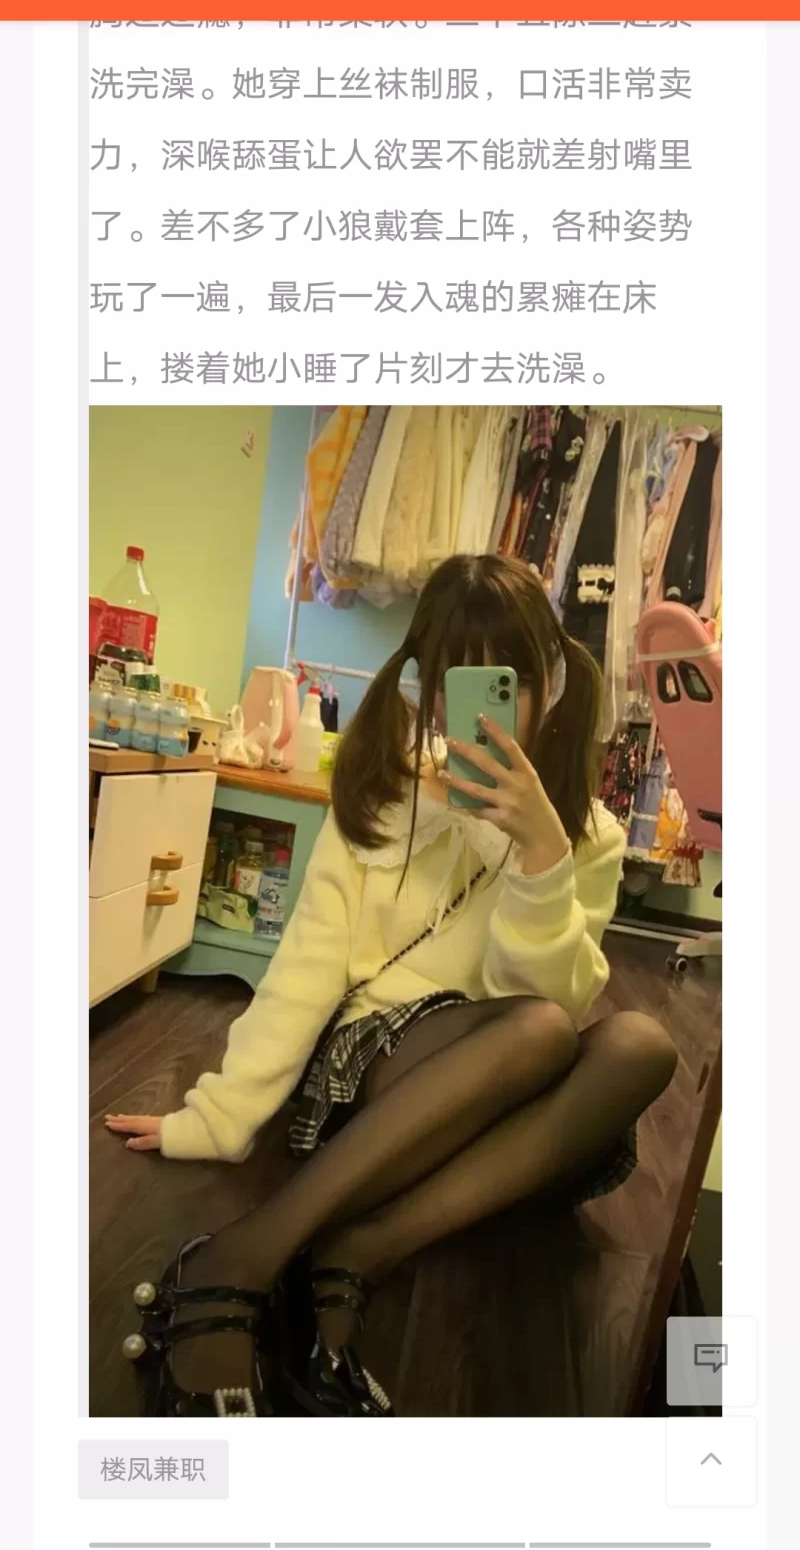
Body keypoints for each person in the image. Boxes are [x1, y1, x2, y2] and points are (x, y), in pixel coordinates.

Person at [106, 554, 677, 1418]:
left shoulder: (584, 836)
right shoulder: (383, 792)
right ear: (428, 686)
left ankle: (361, 1249)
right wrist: (217, 1118)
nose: (483, 707)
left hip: (502, 1071)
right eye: (457, 680)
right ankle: (250, 1250)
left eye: (509, 681)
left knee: (640, 1044)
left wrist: (537, 855)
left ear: (548, 685)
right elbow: (307, 963)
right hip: (374, 1068)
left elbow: (547, 1002)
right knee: (537, 1034)